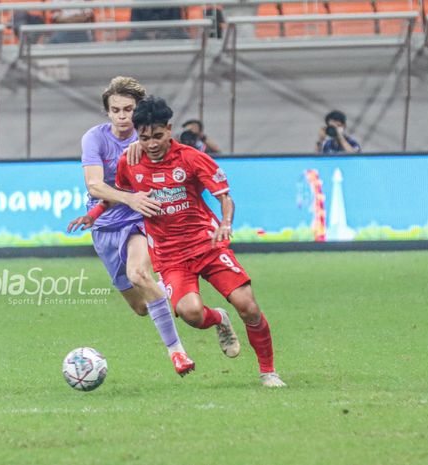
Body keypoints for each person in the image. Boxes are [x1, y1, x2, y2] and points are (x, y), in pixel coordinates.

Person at [115, 96, 286, 388]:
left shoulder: (192, 158)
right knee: (191, 314)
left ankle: (268, 371)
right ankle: (219, 318)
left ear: (169, 129)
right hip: (170, 256)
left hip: (206, 244)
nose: (152, 144)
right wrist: (96, 213)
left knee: (248, 305)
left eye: (157, 136)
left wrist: (226, 223)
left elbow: (224, 196)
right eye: (144, 138)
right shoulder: (129, 162)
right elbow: (124, 194)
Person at [66, 77, 195, 376]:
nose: (122, 116)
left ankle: (177, 353)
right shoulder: (94, 139)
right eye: (116, 110)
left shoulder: (148, 141)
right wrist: (124, 199)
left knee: (138, 273)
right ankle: (191, 303)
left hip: (140, 219)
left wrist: (139, 202)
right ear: (107, 112)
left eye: (128, 110)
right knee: (141, 306)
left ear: (137, 111)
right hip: (105, 225)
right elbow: (95, 185)